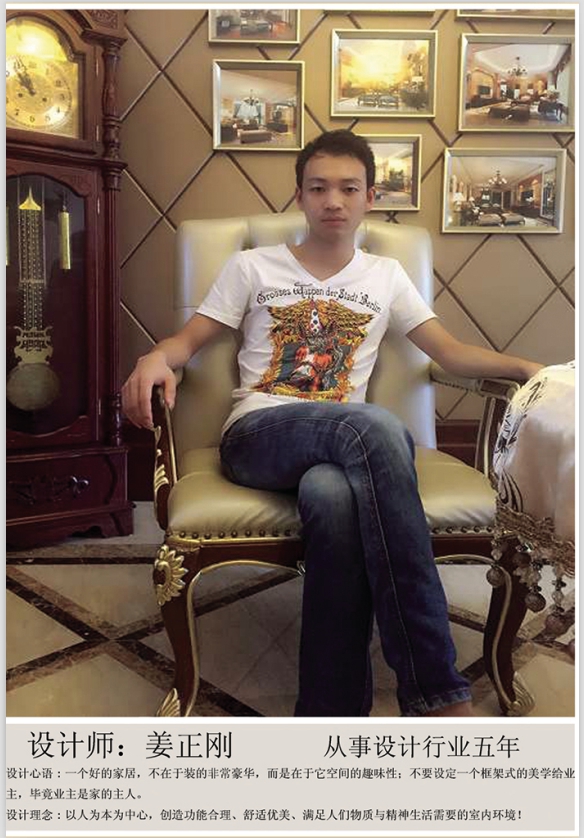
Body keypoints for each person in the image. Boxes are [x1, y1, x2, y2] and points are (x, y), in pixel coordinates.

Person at [122, 130, 542, 718]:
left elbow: (449, 353)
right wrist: (152, 358)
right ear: (299, 196)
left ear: (370, 196)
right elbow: (188, 342)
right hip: (258, 435)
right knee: (377, 427)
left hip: (344, 451)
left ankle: (328, 715)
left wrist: (528, 369)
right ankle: (436, 690)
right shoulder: (252, 266)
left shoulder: (385, 275)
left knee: (332, 496)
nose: (333, 201)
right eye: (318, 188)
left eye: (348, 188)